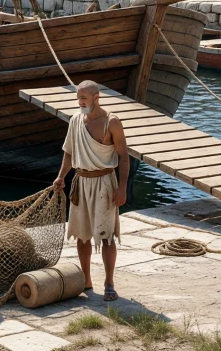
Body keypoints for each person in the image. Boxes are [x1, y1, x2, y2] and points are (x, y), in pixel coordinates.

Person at [52, 81, 130, 301]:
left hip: (105, 182)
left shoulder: (111, 122)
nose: (80, 102)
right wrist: (61, 176)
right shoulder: (75, 120)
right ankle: (86, 279)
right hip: (81, 182)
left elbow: (124, 156)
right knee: (81, 235)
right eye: (78, 98)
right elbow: (69, 152)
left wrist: (122, 187)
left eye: (84, 98)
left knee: (106, 235)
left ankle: (109, 283)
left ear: (97, 97)